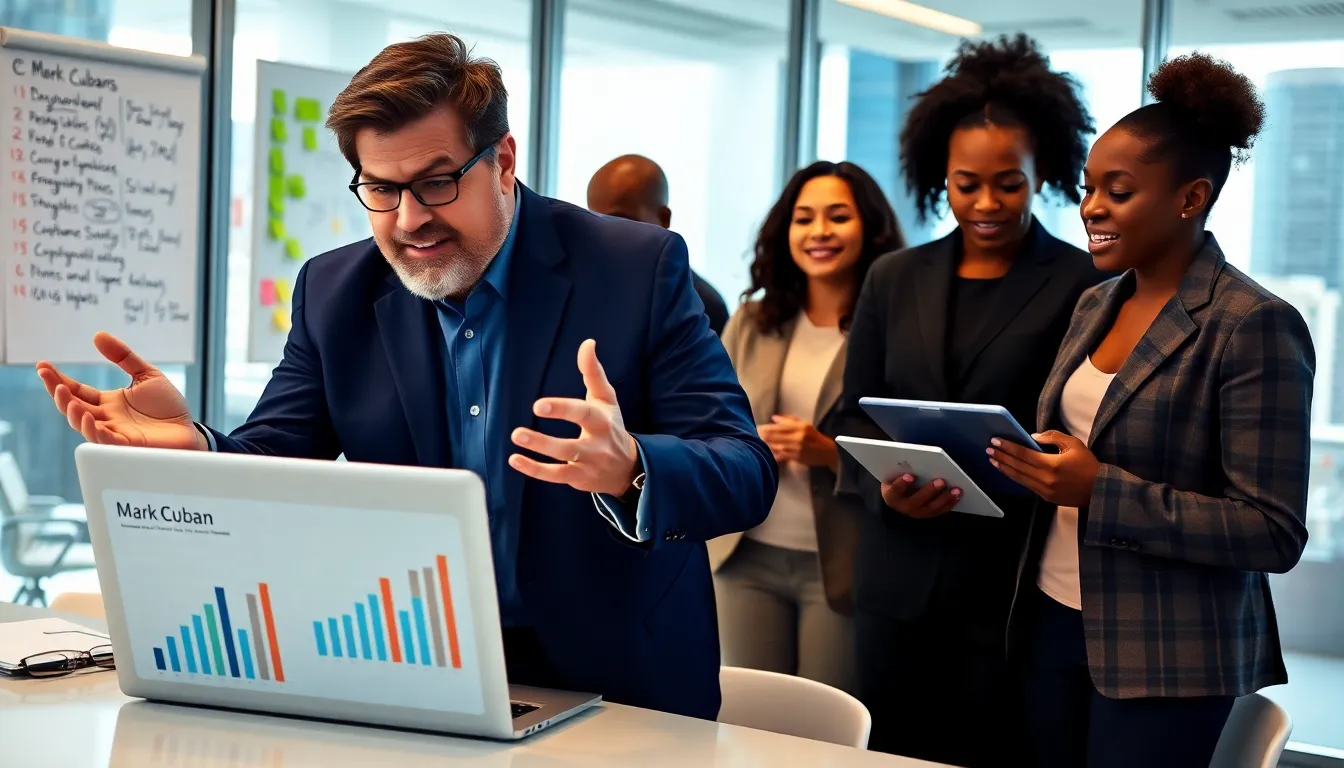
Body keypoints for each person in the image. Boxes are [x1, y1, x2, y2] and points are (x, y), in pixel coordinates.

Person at [34, 33, 777, 721]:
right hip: (416, 674)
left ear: (505, 161)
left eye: (438, 182)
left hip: (622, 682)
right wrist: (195, 443)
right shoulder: (335, 292)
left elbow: (745, 469)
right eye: (381, 190)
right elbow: (275, 463)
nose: (410, 218)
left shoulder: (634, 267)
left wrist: (633, 469)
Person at [987, 53, 1314, 768]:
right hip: (1048, 617)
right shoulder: (1095, 302)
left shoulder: (1252, 323)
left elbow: (1272, 531)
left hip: (1167, 652)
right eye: (1087, 189)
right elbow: (1069, 450)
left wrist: (1100, 491)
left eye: (1118, 191)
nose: (1090, 208)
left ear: (1191, 198)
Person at [836, 34, 1107, 765]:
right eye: (965, 183)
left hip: (1010, 591)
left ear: (1041, 172)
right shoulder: (895, 277)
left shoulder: (1085, 285)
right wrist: (883, 489)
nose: (985, 203)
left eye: (1008, 184)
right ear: (940, 178)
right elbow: (848, 418)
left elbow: (1089, 429)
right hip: (896, 587)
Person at [708, 161, 903, 694]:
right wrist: (744, 447)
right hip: (743, 553)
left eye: (838, 217)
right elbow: (707, 421)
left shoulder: (896, 325)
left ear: (870, 227)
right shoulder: (753, 321)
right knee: (749, 727)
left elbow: (909, 449)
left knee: (825, 734)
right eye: (804, 218)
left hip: (841, 563)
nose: (819, 232)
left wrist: (829, 453)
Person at [586, 154, 731, 335]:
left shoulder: (702, 308)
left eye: (621, 222)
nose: (607, 236)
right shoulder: (585, 291)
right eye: (593, 223)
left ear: (664, 218)